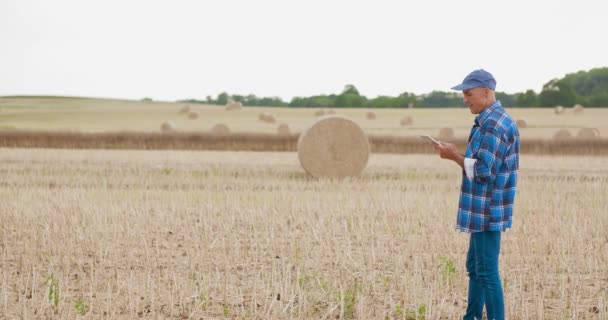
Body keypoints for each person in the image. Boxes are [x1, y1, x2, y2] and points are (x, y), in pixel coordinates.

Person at [433, 69, 520, 320]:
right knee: (475, 267)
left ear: (486, 91)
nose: (465, 99)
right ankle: (470, 317)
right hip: (482, 207)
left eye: (468, 93)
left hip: (488, 208)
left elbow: (483, 171)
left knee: (486, 271)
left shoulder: (494, 124)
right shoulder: (488, 120)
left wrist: (453, 156)